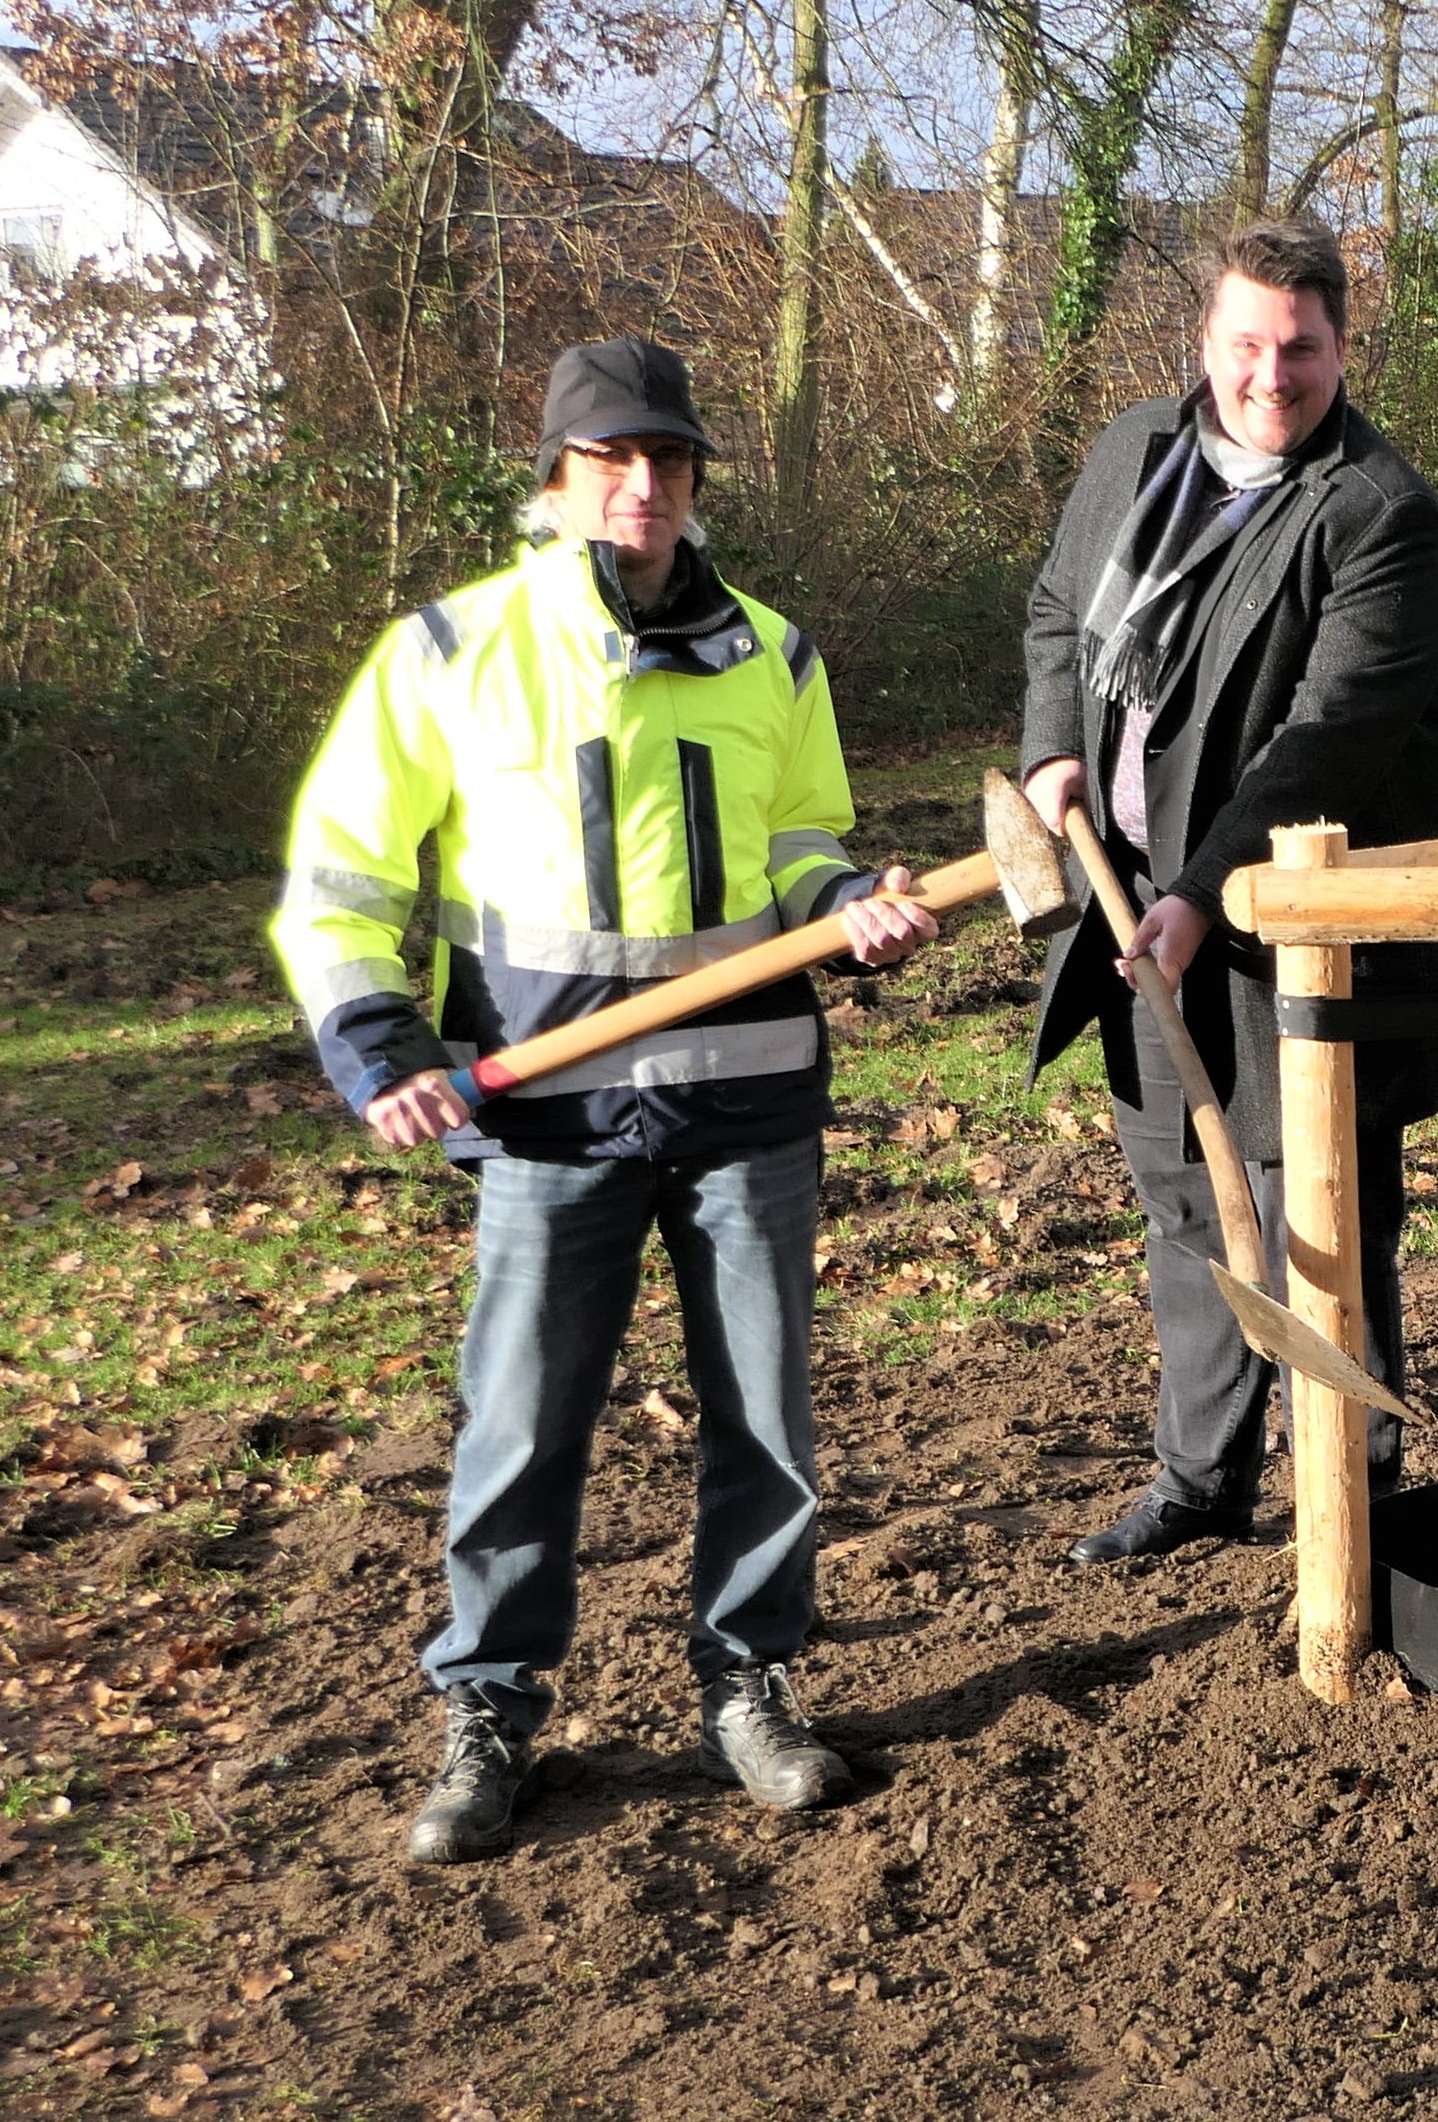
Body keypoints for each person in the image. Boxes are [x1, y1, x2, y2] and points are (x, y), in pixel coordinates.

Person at [271, 337, 938, 1862]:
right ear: (559, 477)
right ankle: (493, 1705)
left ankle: (751, 1684)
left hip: (745, 1105)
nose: (645, 486)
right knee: (522, 1424)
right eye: (611, 460)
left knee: (765, 1421)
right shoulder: (449, 653)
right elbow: (341, 882)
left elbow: (799, 843)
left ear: (699, 479)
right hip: (546, 1118)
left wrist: (854, 902)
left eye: (672, 461)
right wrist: (377, 1046)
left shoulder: (776, 653)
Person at [1021, 215, 1438, 1566]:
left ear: (1343, 347)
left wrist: (1207, 891)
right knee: (1184, 1205)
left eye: (1304, 348)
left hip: (1301, 934)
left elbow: (1326, 741)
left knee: (1315, 1216)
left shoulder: (1378, 513)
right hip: (1134, 899)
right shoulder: (1137, 451)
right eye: (1248, 345)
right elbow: (1054, 614)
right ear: (1206, 343)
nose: (1274, 376)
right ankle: (1198, 1485)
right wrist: (1052, 749)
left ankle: (1361, 1508)